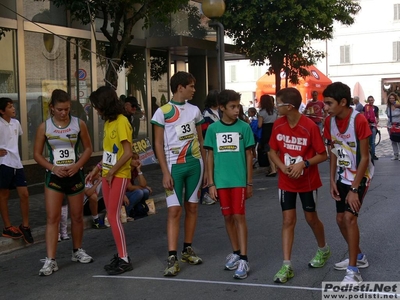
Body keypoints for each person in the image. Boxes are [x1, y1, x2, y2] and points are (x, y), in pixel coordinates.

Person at [269, 87, 330, 284]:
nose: (275, 106)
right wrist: (281, 167)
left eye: (278, 103)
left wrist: (303, 164)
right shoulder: (278, 125)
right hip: (286, 181)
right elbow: (272, 151)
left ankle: (323, 249)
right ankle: (286, 265)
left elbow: (322, 154)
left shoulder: (309, 126)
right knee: (288, 220)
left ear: (289, 106)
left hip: (307, 181)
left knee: (311, 218)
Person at [151, 71, 206, 277]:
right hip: (174, 166)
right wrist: (164, 172)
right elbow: (157, 144)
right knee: (174, 211)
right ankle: (172, 256)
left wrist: (207, 169)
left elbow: (201, 141)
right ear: (180, 87)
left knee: (192, 207)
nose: (194, 89)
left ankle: (187, 249)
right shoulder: (162, 111)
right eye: (191, 86)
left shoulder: (195, 111)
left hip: (195, 164)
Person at [33, 89, 93, 276]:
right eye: (59, 109)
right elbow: (36, 154)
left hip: (75, 176)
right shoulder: (45, 127)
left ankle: (77, 251)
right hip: (55, 177)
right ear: (52, 108)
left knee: (76, 216)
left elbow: (88, 148)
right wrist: (52, 168)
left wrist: (78, 165)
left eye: (66, 109)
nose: (63, 113)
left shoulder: (79, 124)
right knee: (53, 218)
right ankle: (51, 260)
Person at [323, 82, 374, 286]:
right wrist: (332, 180)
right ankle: (359, 257)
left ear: (343, 102)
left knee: (349, 218)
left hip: (360, 176)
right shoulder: (329, 122)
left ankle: (353, 272)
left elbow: (364, 158)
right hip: (342, 175)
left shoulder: (358, 120)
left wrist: (354, 188)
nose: (325, 107)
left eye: (328, 103)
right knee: (339, 219)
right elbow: (333, 150)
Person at [204, 89, 255, 280]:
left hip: (239, 180)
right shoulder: (213, 129)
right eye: (232, 106)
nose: (236, 109)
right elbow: (210, 157)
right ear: (222, 108)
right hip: (221, 181)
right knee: (227, 217)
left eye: (238, 106)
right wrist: (211, 183)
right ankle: (235, 251)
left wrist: (249, 182)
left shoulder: (244, 127)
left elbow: (249, 156)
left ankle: (244, 258)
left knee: (239, 216)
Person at [87, 86, 134, 275]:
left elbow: (128, 153)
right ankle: (121, 255)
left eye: (97, 106)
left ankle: (124, 258)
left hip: (119, 175)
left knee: (113, 217)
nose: (96, 110)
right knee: (111, 216)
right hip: (108, 174)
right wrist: (97, 169)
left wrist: (111, 172)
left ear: (104, 104)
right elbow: (110, 153)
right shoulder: (109, 122)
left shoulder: (122, 121)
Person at [0, 97, 34, 244]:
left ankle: (25, 225)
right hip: (3, 163)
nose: (13, 109)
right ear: (2, 111)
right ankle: (7, 227)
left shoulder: (16, 123)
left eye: (13, 106)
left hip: (17, 163)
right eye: (9, 107)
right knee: (4, 195)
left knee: (24, 194)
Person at [200, 90, 220, 205]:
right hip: (209, 146)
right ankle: (205, 194)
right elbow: (204, 131)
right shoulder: (206, 114)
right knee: (208, 170)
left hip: (218, 146)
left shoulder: (219, 112)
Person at [123, 151, 152, 219]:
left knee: (146, 191)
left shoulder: (135, 169)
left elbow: (143, 184)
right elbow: (130, 187)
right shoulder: (126, 170)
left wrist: (139, 170)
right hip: (122, 194)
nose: (137, 161)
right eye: (134, 159)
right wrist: (143, 187)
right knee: (139, 192)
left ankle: (140, 208)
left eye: (138, 159)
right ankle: (127, 211)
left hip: (130, 192)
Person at [258, 94, 278, 176]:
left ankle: (273, 169)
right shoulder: (275, 110)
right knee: (275, 149)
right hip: (275, 129)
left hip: (266, 131)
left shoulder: (261, 112)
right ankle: (275, 167)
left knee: (268, 150)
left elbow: (259, 125)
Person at [362, 95, 379, 160]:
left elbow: (377, 116)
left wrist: (377, 120)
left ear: (374, 100)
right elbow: (363, 116)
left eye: (372, 100)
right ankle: (367, 154)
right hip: (367, 126)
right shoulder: (365, 108)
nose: (371, 101)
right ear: (368, 101)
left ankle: (373, 154)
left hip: (373, 126)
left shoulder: (376, 108)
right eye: (369, 100)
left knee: (373, 141)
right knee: (367, 141)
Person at [385, 93, 400, 160]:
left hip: (398, 124)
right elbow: (387, 115)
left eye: (393, 98)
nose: (391, 99)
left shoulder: (398, 105)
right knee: (393, 140)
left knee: (399, 140)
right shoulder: (388, 106)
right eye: (390, 98)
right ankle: (395, 154)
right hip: (391, 125)